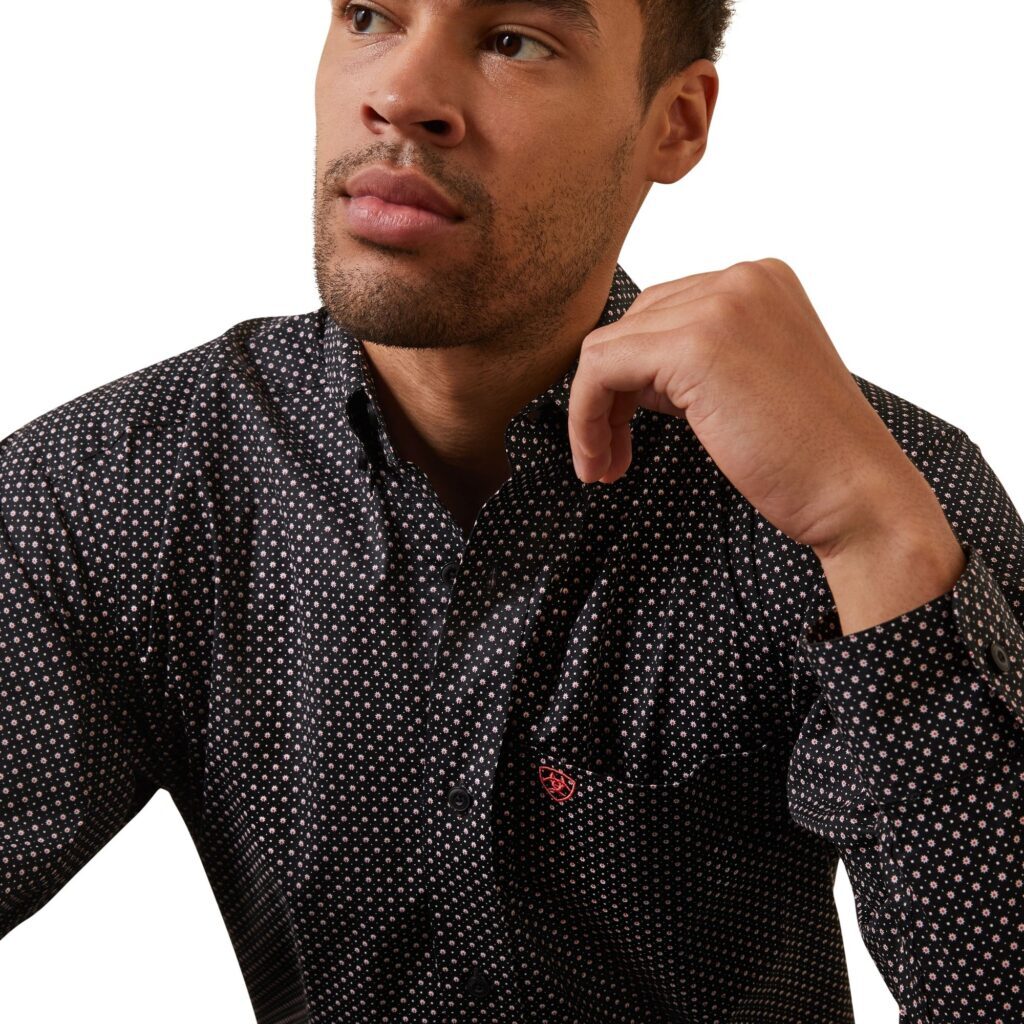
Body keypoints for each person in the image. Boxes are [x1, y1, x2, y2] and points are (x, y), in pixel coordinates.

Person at [2, 0, 1021, 1021]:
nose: (399, 94)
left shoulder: (871, 481)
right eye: (369, 17)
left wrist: (872, 537)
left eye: (513, 40)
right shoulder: (114, 490)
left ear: (674, 123)